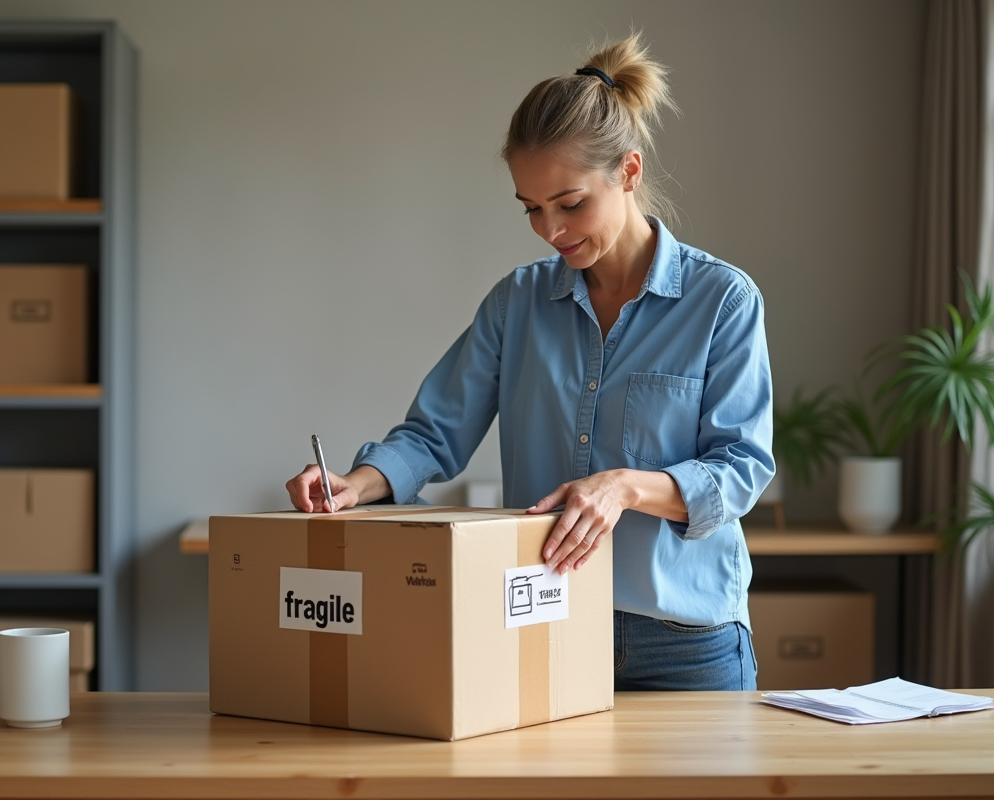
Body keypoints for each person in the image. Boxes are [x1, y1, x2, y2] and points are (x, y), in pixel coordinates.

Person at [286, 32, 774, 692]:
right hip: (548, 619)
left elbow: (741, 469)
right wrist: (358, 484)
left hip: (688, 642)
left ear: (628, 173)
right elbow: (434, 434)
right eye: (532, 210)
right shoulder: (517, 302)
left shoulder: (721, 299)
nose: (551, 231)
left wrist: (623, 486)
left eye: (571, 205)